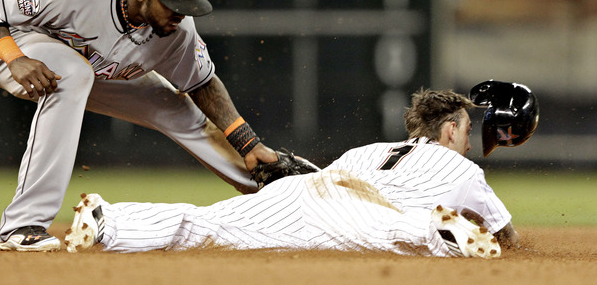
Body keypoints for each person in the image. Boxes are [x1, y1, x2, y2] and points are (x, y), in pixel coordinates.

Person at [0, 0, 318, 252]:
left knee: (177, 108)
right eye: (172, 4)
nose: (181, 13)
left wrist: (248, 143)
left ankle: (286, 196)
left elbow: (202, 85)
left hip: (96, 69)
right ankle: (23, 225)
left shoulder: (176, 31)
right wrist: (15, 58)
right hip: (13, 47)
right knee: (73, 75)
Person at [64, 82, 538, 258]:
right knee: (408, 232)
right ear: (451, 129)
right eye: (467, 129)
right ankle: (442, 232)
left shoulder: (371, 148)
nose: (469, 138)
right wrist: (503, 241)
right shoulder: (462, 169)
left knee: (209, 223)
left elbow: (320, 182)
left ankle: (108, 219)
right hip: (378, 216)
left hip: (310, 192)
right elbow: (507, 234)